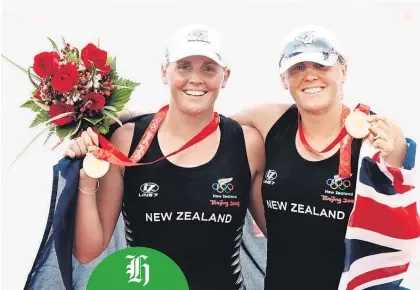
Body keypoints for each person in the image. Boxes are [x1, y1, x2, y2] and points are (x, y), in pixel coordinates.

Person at [63, 24, 266, 290]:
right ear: (164, 72)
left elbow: (283, 235)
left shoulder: (247, 143)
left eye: (208, 68)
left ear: (225, 76)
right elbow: (87, 251)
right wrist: (87, 181)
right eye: (183, 66)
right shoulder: (127, 141)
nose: (196, 78)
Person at [231, 26, 417, 290]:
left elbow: (400, 232)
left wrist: (391, 163)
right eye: (298, 68)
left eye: (321, 65)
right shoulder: (268, 121)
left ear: (343, 71)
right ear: (284, 79)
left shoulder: (377, 134)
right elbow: (206, 131)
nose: (309, 76)